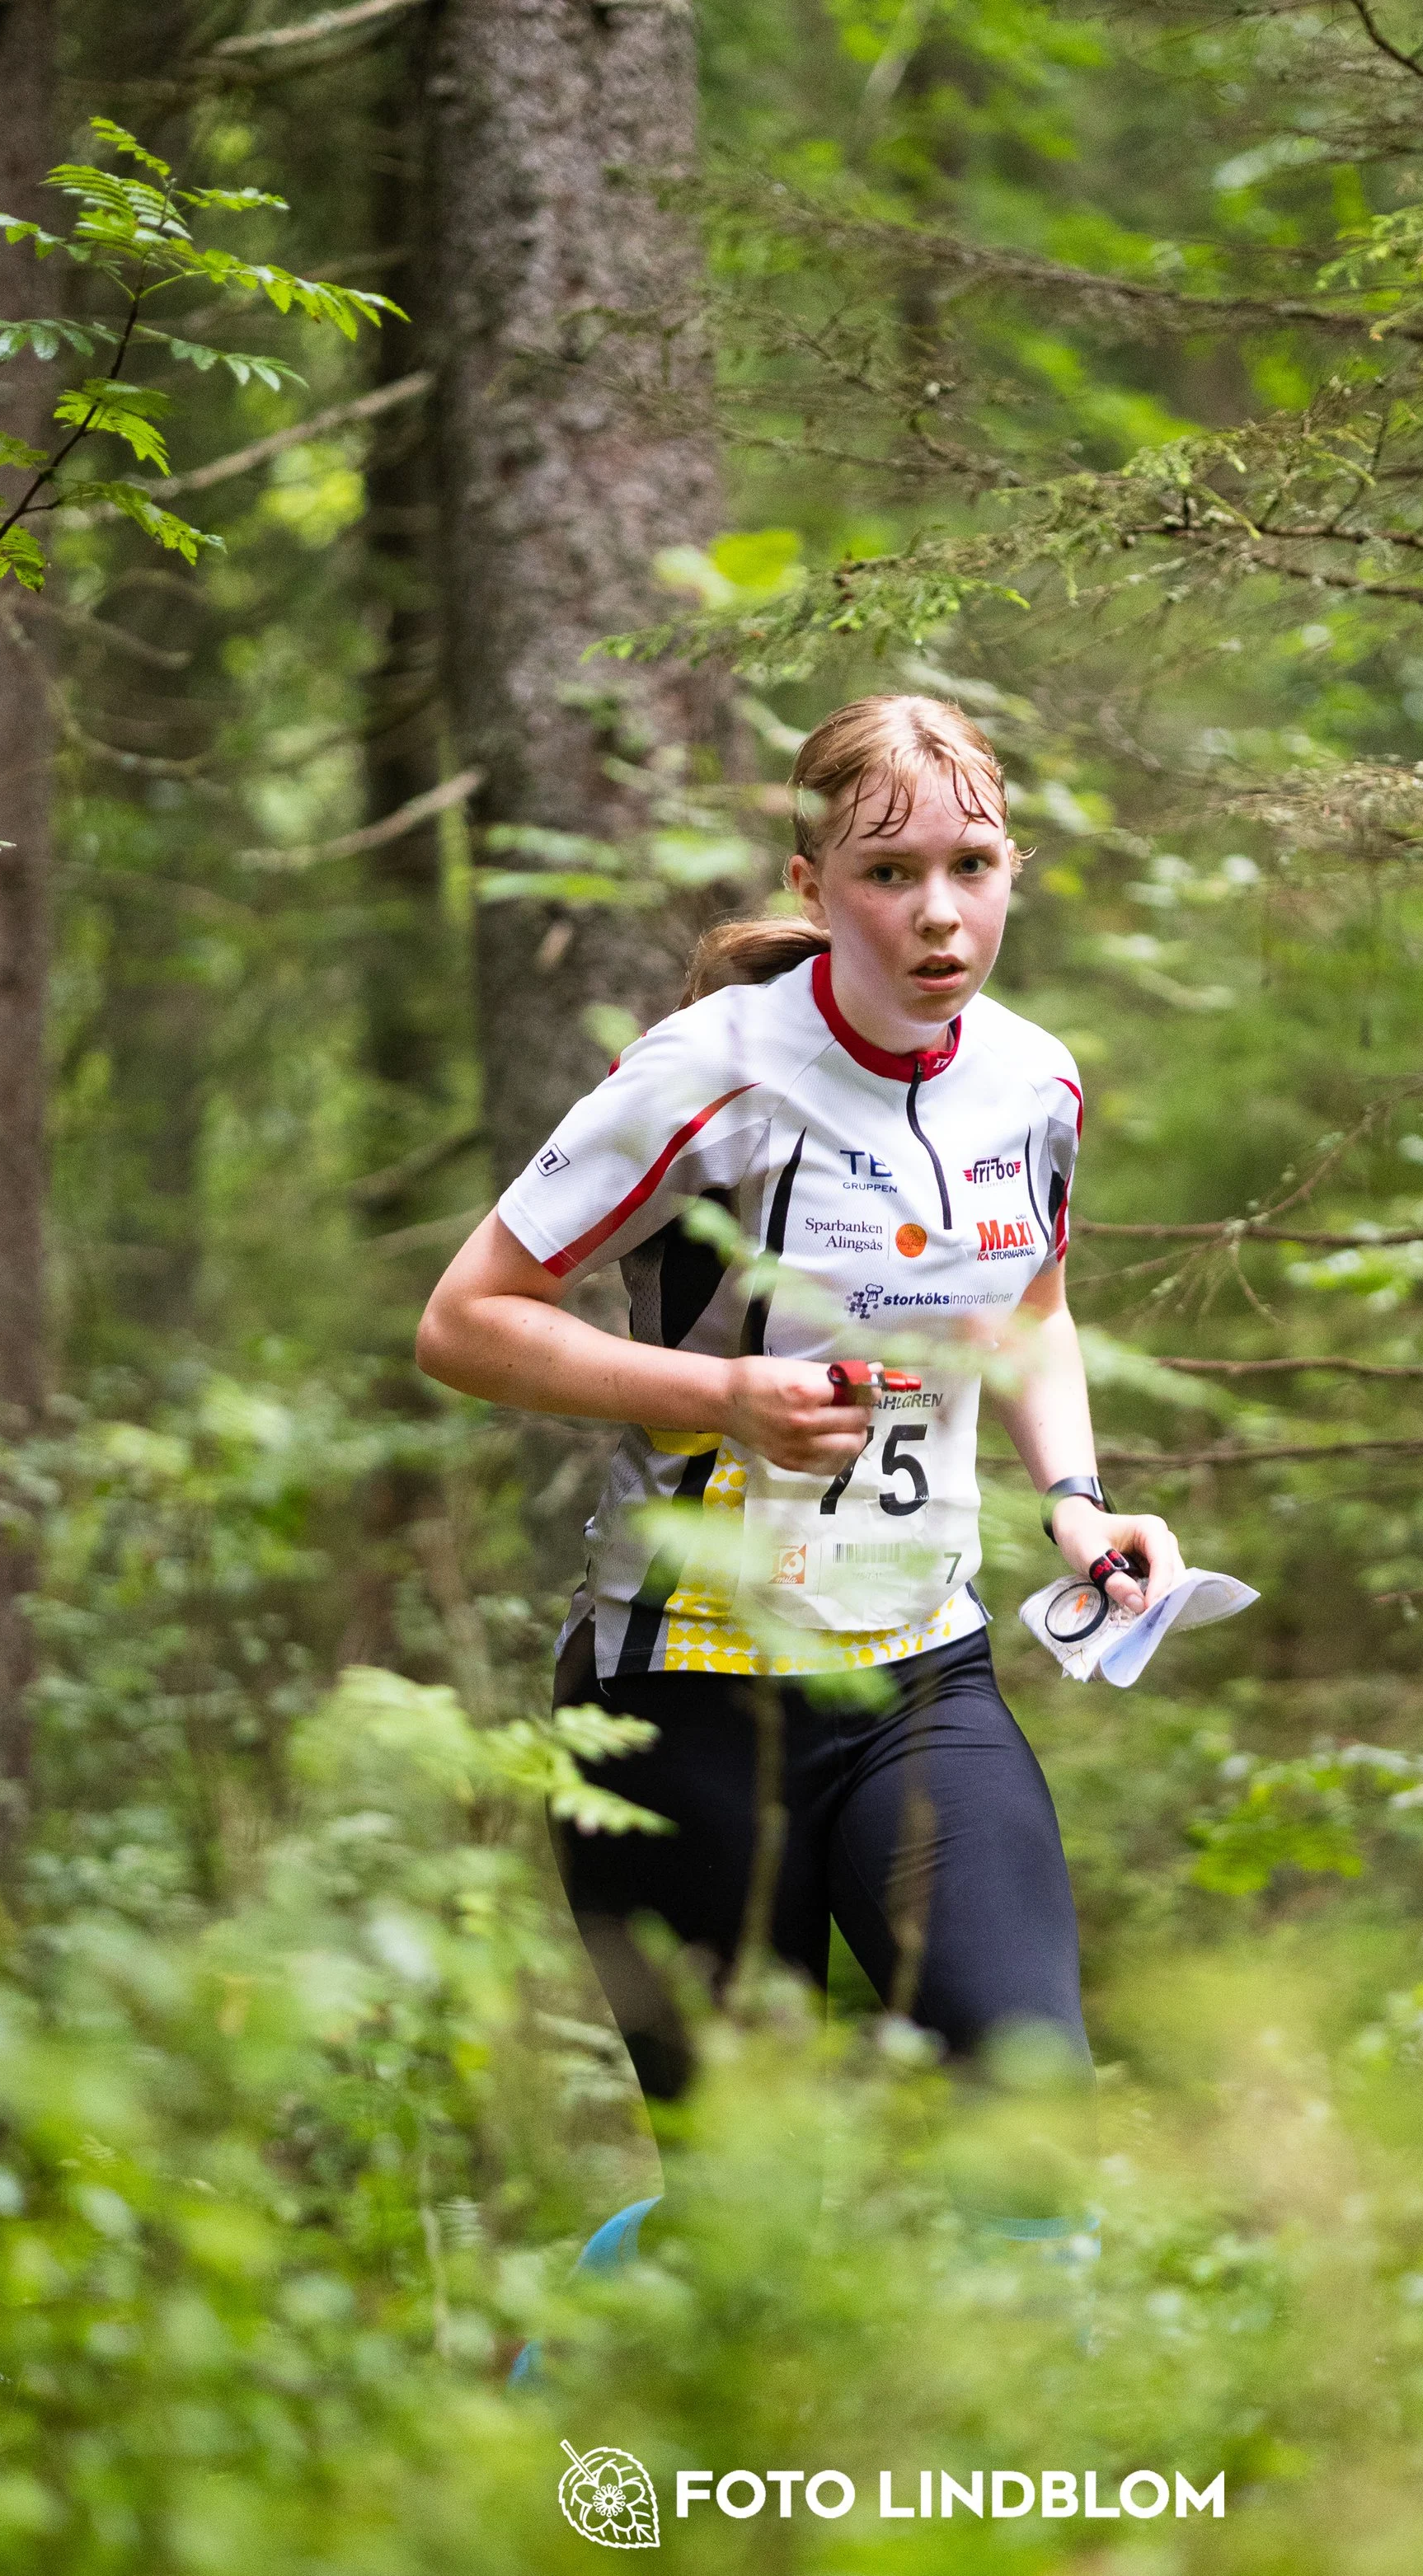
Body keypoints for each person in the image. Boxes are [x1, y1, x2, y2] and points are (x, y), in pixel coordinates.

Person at [416, 693, 1180, 2273]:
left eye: (974, 864)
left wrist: (1082, 1500)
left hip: (921, 1677)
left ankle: (1016, 2507)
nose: (940, 911)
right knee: (759, 2225)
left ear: (1016, 869)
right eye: (891, 872)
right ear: (816, 881)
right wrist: (724, 1397)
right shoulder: (709, 1074)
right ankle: (587, 2378)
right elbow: (464, 1323)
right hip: (686, 1698)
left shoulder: (1035, 1084)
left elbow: (1029, 1309)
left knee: (1026, 2111)